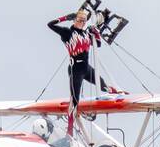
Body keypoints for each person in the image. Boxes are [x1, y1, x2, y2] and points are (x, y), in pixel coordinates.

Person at [46, 9, 124, 137]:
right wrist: (65, 18)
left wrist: (96, 32)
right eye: (79, 20)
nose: (81, 22)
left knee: (102, 84)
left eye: (84, 20)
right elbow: (50, 25)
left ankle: (115, 91)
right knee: (75, 101)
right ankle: (69, 131)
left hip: (86, 68)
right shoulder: (67, 33)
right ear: (74, 20)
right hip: (75, 68)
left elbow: (98, 44)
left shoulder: (86, 34)